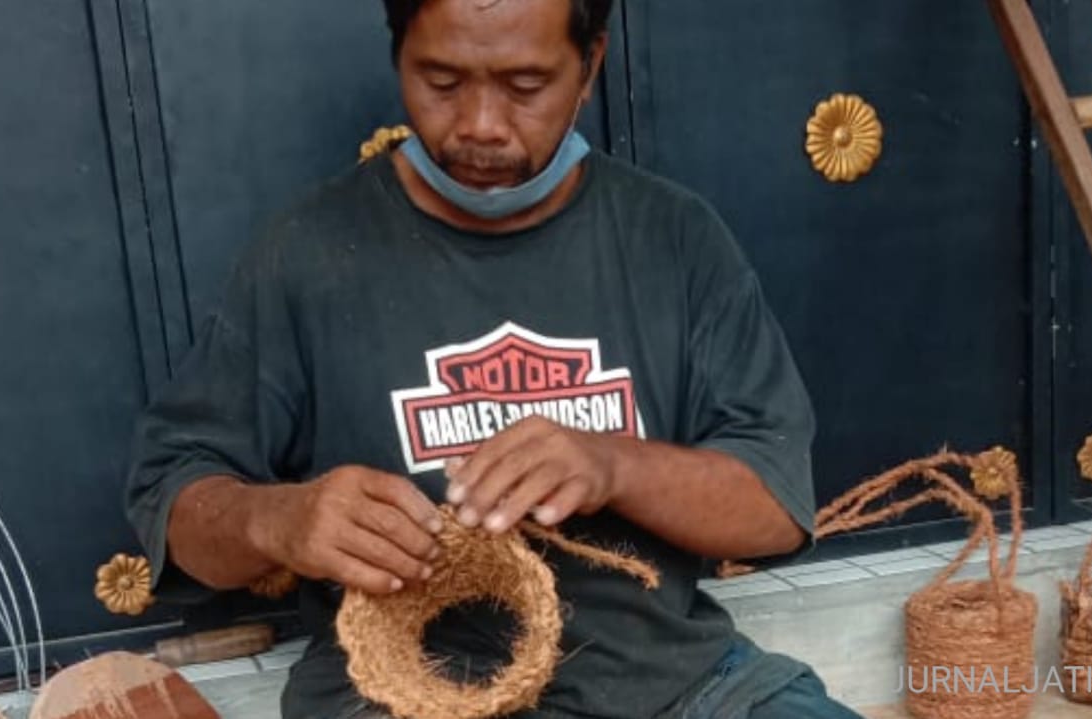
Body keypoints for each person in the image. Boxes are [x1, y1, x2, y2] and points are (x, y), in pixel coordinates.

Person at [125, 1, 865, 717]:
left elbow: (774, 510)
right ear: (397, 54)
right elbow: (175, 499)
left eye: (525, 86)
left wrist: (614, 466)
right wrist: (279, 519)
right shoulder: (306, 254)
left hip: (674, 685)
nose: (480, 126)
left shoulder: (673, 238)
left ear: (591, 63)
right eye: (441, 82)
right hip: (401, 697)